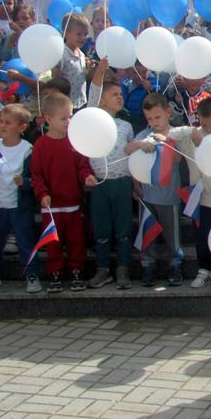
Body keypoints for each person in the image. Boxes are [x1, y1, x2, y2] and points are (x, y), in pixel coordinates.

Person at [164, 98, 211, 290]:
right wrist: (192, 131)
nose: (209, 128)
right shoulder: (194, 135)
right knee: (202, 236)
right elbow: (170, 132)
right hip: (199, 198)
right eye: (204, 124)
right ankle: (204, 271)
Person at [30, 94, 97, 292]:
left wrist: (86, 177)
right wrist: (42, 194)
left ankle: (77, 270)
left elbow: (82, 166)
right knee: (53, 243)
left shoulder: (74, 141)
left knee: (77, 240)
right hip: (51, 207)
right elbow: (37, 174)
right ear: (48, 119)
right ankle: (55, 272)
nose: (68, 121)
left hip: (74, 204)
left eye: (70, 117)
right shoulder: (41, 145)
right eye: (63, 118)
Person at [86, 60, 136, 289]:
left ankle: (123, 269)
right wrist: (100, 70)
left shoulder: (126, 126)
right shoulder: (93, 118)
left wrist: (136, 182)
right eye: (114, 94)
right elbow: (94, 89)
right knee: (102, 228)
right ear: (102, 100)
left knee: (124, 228)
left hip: (122, 182)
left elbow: (133, 157)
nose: (119, 97)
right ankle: (103, 269)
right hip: (99, 184)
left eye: (120, 94)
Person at [126, 93, 184, 287]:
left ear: (168, 113)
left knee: (171, 235)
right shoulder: (144, 134)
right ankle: (147, 265)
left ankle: (175, 264)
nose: (153, 122)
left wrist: (166, 143)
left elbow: (178, 159)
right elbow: (129, 151)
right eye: (149, 118)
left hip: (170, 196)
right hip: (147, 196)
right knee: (147, 233)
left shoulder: (175, 133)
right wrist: (141, 144)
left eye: (157, 117)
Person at [0, 104, 39, 293]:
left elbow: (34, 178)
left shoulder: (28, 149)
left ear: (22, 127)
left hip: (19, 207)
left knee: (25, 241)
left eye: (8, 123)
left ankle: (31, 275)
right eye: (1, 122)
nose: (3, 126)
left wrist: (24, 182)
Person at [54, 13, 90, 111]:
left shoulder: (81, 54)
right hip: (66, 103)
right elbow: (56, 76)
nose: (83, 38)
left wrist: (88, 69)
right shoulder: (62, 54)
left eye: (85, 34)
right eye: (79, 34)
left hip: (81, 101)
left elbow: (81, 76)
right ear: (66, 33)